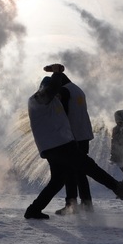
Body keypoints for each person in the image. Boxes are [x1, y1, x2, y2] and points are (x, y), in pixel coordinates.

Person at [24, 77, 123, 220]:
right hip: (59, 145)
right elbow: (53, 86)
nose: (58, 94)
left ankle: (33, 210)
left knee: (58, 181)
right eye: (55, 91)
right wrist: (57, 73)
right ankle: (118, 188)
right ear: (45, 88)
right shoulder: (37, 99)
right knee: (88, 166)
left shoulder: (52, 101)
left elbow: (61, 89)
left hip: (55, 146)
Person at [43, 64, 96, 214]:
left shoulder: (64, 91)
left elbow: (62, 114)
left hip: (72, 137)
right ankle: (86, 204)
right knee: (81, 170)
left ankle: (71, 205)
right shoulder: (76, 89)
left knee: (69, 172)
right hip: (84, 135)